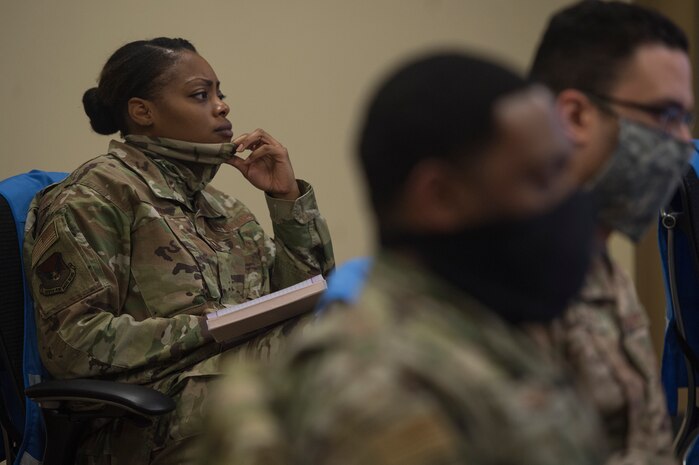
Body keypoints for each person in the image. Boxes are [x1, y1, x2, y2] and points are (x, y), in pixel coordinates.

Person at [198, 52, 606, 465]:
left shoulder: (481, 330)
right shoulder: (379, 389)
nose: (568, 200)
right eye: (540, 177)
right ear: (439, 196)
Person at [23, 37, 334, 464]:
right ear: (142, 112)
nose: (222, 107)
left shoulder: (225, 210)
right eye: (201, 95)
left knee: (344, 334)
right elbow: (73, 346)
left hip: (231, 394)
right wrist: (207, 329)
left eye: (220, 94)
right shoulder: (95, 196)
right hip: (142, 423)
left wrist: (285, 200)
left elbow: (305, 301)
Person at [528, 2, 695, 463]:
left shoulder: (595, 260)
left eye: (687, 119)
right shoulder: (505, 284)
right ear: (577, 116)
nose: (684, 143)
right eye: (665, 115)